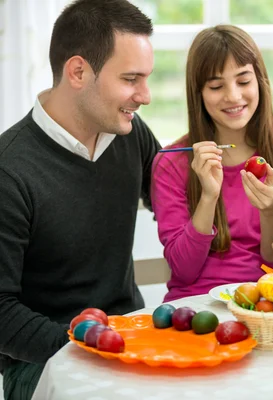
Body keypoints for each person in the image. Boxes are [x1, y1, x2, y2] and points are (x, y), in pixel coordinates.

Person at [0, 0, 159, 398]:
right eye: (130, 79)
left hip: (129, 342)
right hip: (45, 362)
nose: (145, 96)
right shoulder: (9, 170)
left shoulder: (131, 134)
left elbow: (179, 205)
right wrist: (90, 349)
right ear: (78, 72)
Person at [151, 25, 273, 301]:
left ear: (260, 82)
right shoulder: (171, 164)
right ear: (199, 94)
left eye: (243, 81)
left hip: (264, 304)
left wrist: (272, 208)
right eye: (216, 86)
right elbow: (183, 270)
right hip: (194, 306)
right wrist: (208, 196)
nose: (232, 96)